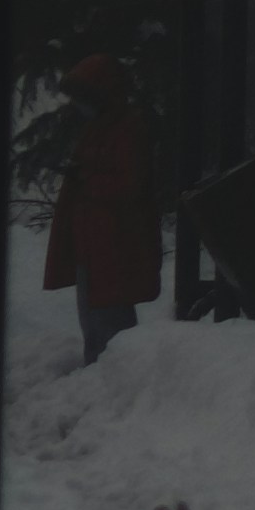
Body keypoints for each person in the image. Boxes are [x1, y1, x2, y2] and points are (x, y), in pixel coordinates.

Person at [43, 51, 163, 362]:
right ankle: (97, 378)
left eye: (84, 96)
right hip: (92, 246)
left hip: (116, 245)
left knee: (112, 322)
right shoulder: (97, 128)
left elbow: (129, 184)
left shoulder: (127, 130)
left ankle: (116, 380)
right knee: (93, 319)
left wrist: (86, 179)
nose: (79, 105)